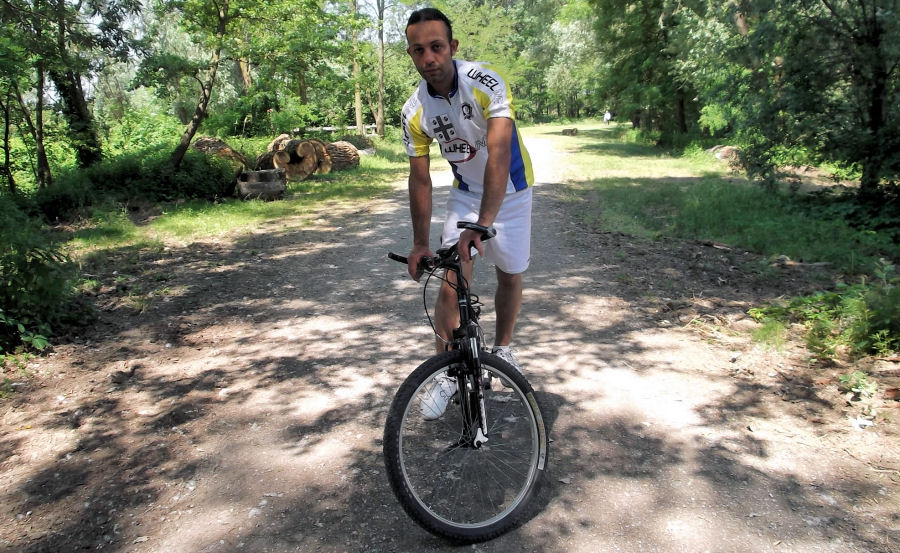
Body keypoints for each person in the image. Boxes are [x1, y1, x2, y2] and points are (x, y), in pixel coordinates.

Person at [401, 8, 534, 414]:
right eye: (419, 50)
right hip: (465, 192)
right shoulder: (414, 111)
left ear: (452, 47)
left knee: (509, 274)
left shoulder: (486, 83)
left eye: (437, 47)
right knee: (451, 276)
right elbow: (420, 179)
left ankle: (504, 349)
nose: (429, 58)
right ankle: (446, 371)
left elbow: (498, 154)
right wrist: (420, 243)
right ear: (411, 54)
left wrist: (484, 224)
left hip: (510, 190)